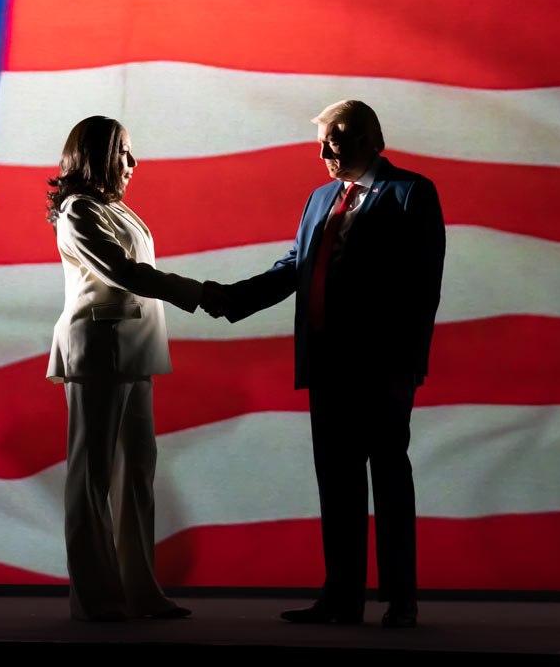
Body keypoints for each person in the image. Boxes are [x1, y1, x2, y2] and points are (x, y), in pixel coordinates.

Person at [203, 100, 444, 628]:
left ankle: (401, 600)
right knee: (337, 485)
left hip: (381, 368)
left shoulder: (411, 193)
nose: (324, 151)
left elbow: (423, 286)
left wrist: (409, 362)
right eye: (322, 140)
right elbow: (295, 266)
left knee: (389, 480)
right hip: (327, 365)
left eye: (335, 139)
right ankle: (342, 598)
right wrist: (231, 299)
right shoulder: (319, 199)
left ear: (369, 140)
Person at [46, 115, 223, 621]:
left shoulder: (113, 208)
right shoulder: (78, 209)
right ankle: (97, 600)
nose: (133, 162)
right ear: (97, 154)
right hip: (98, 352)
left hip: (132, 353)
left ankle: (139, 590)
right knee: (92, 476)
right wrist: (200, 293)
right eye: (123, 151)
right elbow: (123, 274)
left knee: (136, 474)